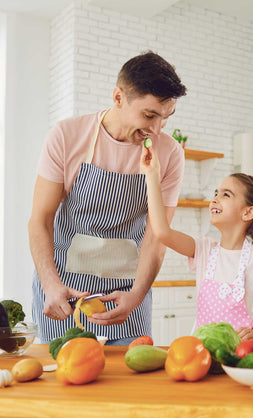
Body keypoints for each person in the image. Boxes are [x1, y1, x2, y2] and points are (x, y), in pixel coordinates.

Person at [28, 51, 187, 344]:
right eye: (149, 115)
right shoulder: (67, 135)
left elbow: (156, 236)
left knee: (129, 385)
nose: (157, 129)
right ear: (118, 98)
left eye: (165, 118)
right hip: (65, 291)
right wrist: (50, 284)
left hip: (126, 294)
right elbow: (41, 219)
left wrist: (137, 295)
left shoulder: (171, 154)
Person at [140, 147, 253, 342]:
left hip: (243, 354)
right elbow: (162, 231)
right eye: (216, 193)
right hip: (202, 350)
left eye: (226, 195)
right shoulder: (204, 250)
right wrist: (152, 175)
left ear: (248, 212)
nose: (214, 199)